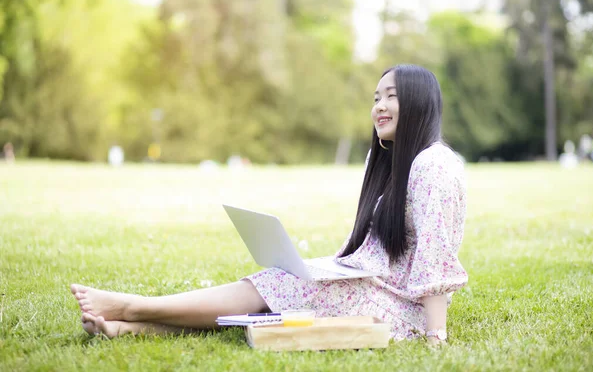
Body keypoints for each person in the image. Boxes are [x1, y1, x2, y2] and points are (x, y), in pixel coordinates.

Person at [70, 64, 468, 345]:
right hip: (367, 287)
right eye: (376, 97)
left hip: (402, 308)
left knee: (282, 287)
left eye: (391, 97)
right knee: (284, 287)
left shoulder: (434, 163)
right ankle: (133, 326)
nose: (379, 106)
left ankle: (134, 308)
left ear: (417, 104)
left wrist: (436, 336)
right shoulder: (385, 162)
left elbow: (435, 257)